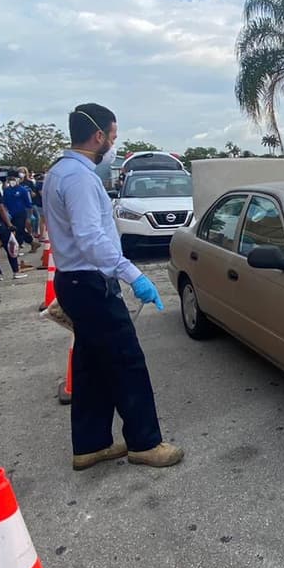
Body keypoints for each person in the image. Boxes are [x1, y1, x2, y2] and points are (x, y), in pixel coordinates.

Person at [43, 103, 183, 470]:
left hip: (76, 280)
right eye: (114, 137)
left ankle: (90, 445)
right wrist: (132, 275)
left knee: (91, 365)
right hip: (90, 282)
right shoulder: (79, 178)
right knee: (126, 363)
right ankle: (145, 443)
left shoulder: (61, 171)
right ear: (99, 136)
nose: (114, 146)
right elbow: (91, 238)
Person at [3, 173, 38, 252]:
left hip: (21, 213)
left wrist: (30, 215)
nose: (12, 182)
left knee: (19, 230)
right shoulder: (6, 190)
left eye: (13, 180)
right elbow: (4, 202)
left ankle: (18, 248)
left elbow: (28, 203)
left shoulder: (23, 190)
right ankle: (32, 243)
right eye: (10, 180)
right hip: (10, 214)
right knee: (18, 230)